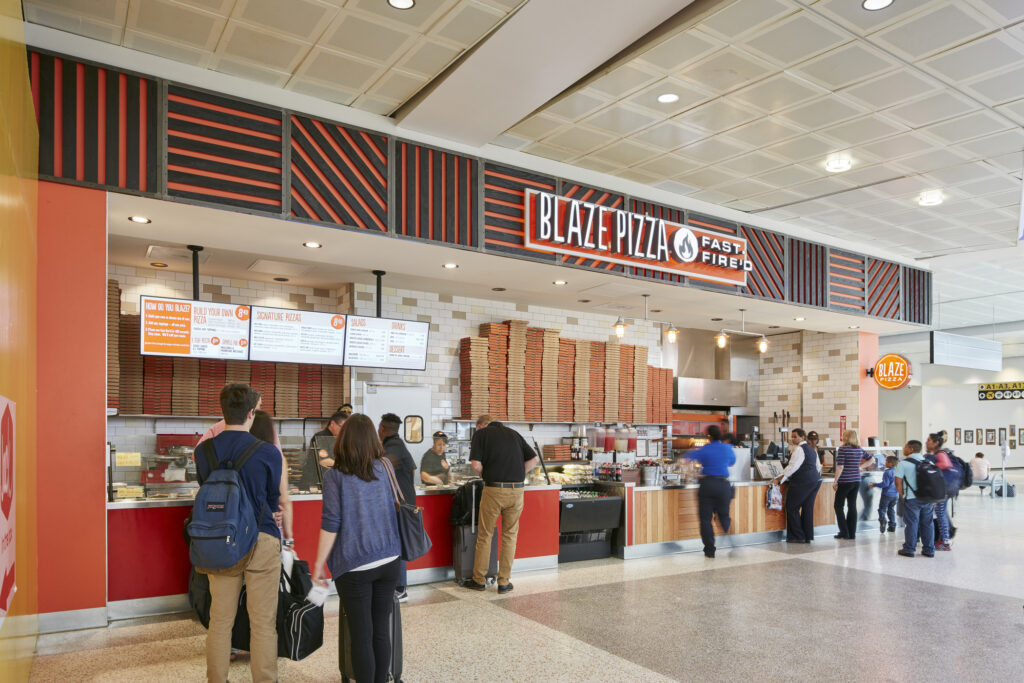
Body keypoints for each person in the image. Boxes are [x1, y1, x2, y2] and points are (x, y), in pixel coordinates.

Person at [195, 384, 282, 683]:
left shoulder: (204, 450)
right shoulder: (268, 452)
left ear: (223, 412)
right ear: (251, 413)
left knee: (220, 621)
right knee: (263, 622)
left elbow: (206, 487)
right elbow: (272, 499)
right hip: (261, 538)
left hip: (222, 541)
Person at [313, 414, 401, 683]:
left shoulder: (334, 476)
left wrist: (318, 564)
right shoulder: (385, 466)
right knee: (380, 631)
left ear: (343, 440)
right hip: (389, 559)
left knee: (361, 635)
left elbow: (331, 524)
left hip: (354, 566)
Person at [464, 414, 538, 593]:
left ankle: (479, 580)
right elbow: (534, 459)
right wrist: (518, 474)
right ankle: (504, 582)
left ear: (480, 426)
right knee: (510, 536)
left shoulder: (481, 434)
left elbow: (476, 465)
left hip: (494, 490)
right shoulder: (514, 434)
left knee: (485, 535)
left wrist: (487, 474)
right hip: (517, 491)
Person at [378, 413, 417, 601]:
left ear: (382, 429)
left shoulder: (393, 447)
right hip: (403, 503)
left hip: (399, 506)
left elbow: (380, 470)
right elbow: (413, 469)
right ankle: (397, 586)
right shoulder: (398, 445)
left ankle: (400, 588)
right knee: (396, 543)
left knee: (397, 545)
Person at [686, 425, 736, 558]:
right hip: (723, 485)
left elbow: (687, 457)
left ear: (709, 436)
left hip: (707, 485)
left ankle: (710, 550)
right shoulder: (727, 448)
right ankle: (733, 544)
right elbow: (732, 463)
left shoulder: (705, 448)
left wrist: (695, 473)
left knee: (705, 519)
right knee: (724, 516)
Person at [772, 428, 821, 543]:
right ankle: (807, 536)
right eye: (792, 437)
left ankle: (797, 536)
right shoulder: (812, 449)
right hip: (815, 481)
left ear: (802, 437)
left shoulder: (799, 449)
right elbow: (818, 466)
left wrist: (779, 479)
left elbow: (792, 466)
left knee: (791, 507)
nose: (793, 439)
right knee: (807, 509)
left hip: (803, 481)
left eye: (795, 437)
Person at [251, 410, 293, 542]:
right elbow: (284, 500)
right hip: (267, 524)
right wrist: (289, 536)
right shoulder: (275, 457)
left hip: (241, 524)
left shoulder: (238, 454)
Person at [895, 439, 935, 558]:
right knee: (927, 524)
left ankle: (909, 549)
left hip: (911, 498)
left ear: (911, 449)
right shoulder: (929, 463)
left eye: (905, 447)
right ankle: (929, 550)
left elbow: (897, 482)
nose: (904, 449)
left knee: (912, 523)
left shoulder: (903, 463)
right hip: (927, 498)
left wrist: (902, 495)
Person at [925, 431, 956, 551]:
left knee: (941, 513)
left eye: (929, 440)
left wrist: (930, 467)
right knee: (940, 512)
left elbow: (946, 464)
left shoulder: (940, 453)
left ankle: (945, 541)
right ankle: (943, 539)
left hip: (944, 489)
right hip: (943, 488)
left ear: (936, 442)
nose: (926, 442)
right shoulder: (938, 453)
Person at [832, 429, 866, 540]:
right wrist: (860, 467)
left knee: (838, 506)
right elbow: (872, 459)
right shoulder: (859, 449)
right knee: (852, 506)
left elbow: (840, 466)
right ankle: (852, 533)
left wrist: (835, 481)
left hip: (845, 481)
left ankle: (844, 532)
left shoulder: (843, 449)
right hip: (856, 480)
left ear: (846, 437)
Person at [870, 455, 899, 533]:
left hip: (887, 494)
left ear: (890, 463)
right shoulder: (898, 471)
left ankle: (883, 521)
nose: (884, 462)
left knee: (882, 509)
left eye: (886, 461)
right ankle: (892, 526)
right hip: (896, 495)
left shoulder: (887, 472)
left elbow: (885, 484)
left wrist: (875, 484)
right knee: (891, 509)